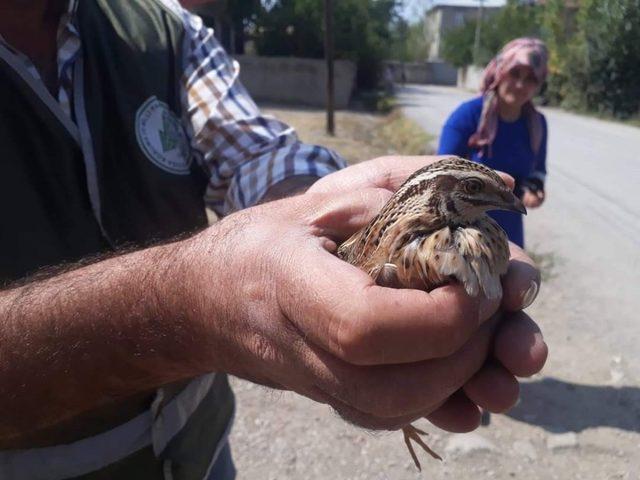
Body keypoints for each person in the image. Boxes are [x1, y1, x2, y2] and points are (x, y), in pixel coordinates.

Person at [0, 2, 547, 479]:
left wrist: (315, 208)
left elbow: (254, 149)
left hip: (198, 451)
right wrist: (186, 307)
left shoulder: (161, 28)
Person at [438, 38, 549, 248]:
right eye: (515, 74)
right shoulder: (469, 114)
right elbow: (441, 173)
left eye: (530, 79)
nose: (520, 85)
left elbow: (537, 172)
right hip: (464, 231)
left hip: (509, 233)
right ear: (500, 71)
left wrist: (534, 190)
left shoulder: (536, 124)